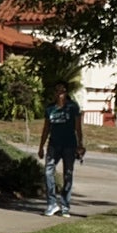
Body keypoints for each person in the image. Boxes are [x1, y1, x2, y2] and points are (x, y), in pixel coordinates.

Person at [38, 80, 86, 215]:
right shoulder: (50, 109)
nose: (60, 94)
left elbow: (78, 128)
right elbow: (46, 128)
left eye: (62, 90)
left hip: (69, 145)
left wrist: (80, 144)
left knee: (68, 174)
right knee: (48, 172)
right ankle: (52, 203)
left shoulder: (72, 107)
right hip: (53, 145)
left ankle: (65, 205)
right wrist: (41, 147)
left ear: (66, 92)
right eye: (57, 90)